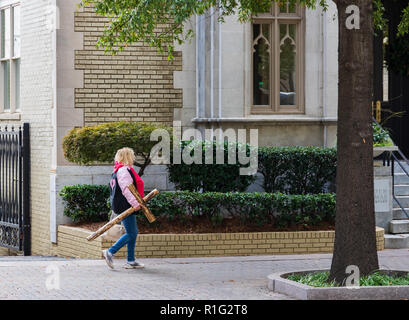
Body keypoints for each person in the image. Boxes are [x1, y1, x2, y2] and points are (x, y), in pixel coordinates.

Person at [103, 147, 145, 269]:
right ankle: (110, 252)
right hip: (127, 205)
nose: (134, 158)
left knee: (132, 232)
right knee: (132, 233)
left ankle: (131, 260)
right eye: (132, 156)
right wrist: (135, 204)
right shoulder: (124, 170)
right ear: (128, 157)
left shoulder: (118, 170)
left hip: (124, 205)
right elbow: (127, 189)